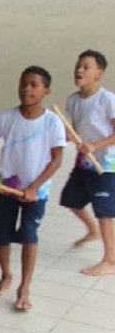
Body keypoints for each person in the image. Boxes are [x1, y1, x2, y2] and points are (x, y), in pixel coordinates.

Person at [0, 66, 65, 311]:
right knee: (0, 234)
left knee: (29, 236)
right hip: (7, 187)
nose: (27, 89)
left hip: (36, 193)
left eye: (34, 85)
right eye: (23, 83)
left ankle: (24, 287)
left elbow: (57, 159)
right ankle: (6, 274)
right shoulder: (7, 116)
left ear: (45, 91)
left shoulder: (52, 122)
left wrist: (35, 186)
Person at [58, 50, 115, 276]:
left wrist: (96, 145)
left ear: (99, 73)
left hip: (107, 164)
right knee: (71, 199)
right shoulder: (72, 100)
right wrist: (67, 136)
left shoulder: (107, 99)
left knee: (104, 212)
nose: (79, 70)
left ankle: (110, 260)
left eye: (86, 67)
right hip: (84, 163)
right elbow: (74, 129)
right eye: (78, 66)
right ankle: (93, 230)